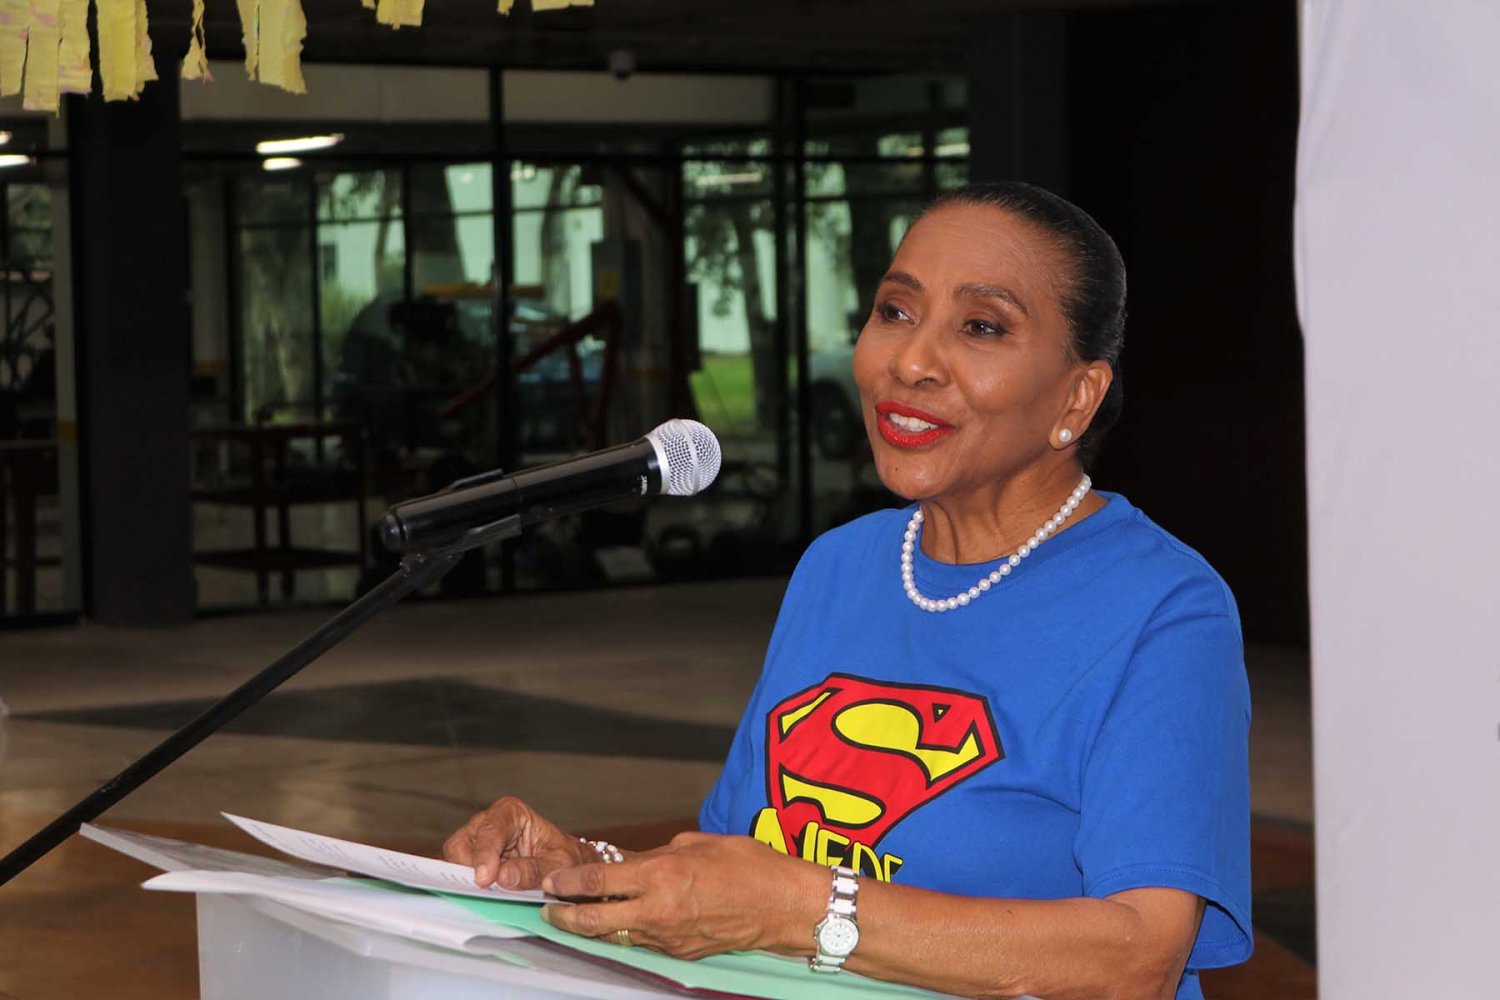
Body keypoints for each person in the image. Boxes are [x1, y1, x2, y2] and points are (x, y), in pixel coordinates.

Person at [444, 181, 1252, 1000]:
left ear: (1078, 397)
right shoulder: (841, 566)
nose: (910, 361)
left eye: (981, 326)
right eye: (895, 311)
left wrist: (803, 912)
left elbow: (1138, 957)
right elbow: (746, 875)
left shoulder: (1161, 608)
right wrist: (583, 870)